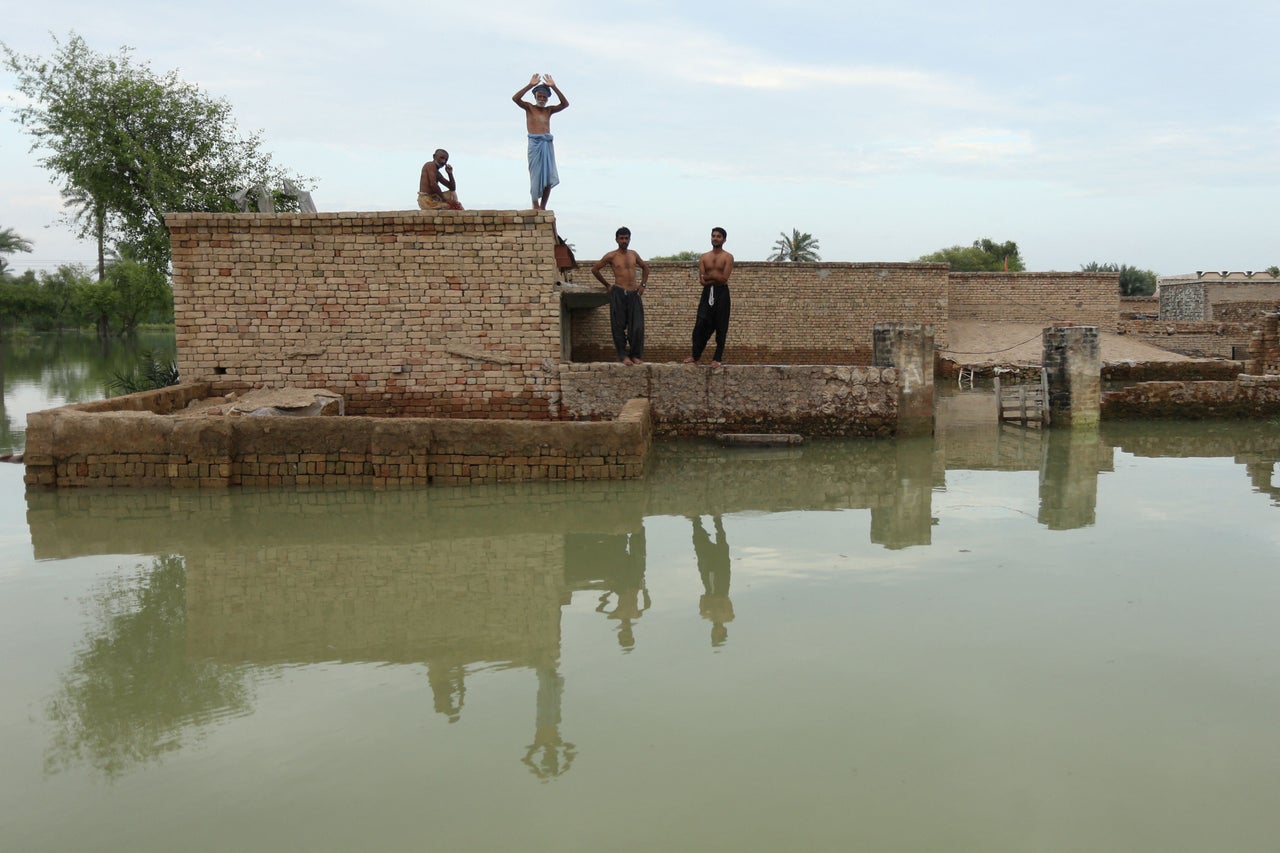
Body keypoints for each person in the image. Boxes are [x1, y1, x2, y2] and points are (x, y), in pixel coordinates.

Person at [591, 226, 651, 365]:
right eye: (621, 238)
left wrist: (643, 285)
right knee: (618, 326)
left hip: (634, 294)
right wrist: (607, 285)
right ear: (616, 239)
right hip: (618, 292)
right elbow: (595, 269)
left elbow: (645, 268)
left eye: (626, 238)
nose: (624, 241)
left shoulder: (633, 254)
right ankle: (623, 356)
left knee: (637, 327)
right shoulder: (611, 256)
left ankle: (635, 355)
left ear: (630, 239)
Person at [512, 73, 569, 210]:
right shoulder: (530, 108)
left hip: (547, 144)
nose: (542, 98)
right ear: (536, 96)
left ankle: (543, 206)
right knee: (536, 174)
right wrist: (531, 85)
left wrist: (554, 87)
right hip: (535, 143)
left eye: (544, 96)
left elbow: (565, 104)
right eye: (540, 96)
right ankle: (535, 204)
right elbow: (515, 98)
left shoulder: (548, 110)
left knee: (549, 177)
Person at [685, 227, 734, 366]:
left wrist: (710, 276)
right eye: (713, 236)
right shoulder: (704, 257)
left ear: (724, 239)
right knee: (700, 325)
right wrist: (713, 276)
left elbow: (724, 278)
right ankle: (695, 356)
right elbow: (702, 280)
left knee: (721, 325)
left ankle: (717, 358)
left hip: (722, 293)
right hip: (707, 293)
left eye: (718, 236)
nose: (715, 238)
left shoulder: (727, 257)